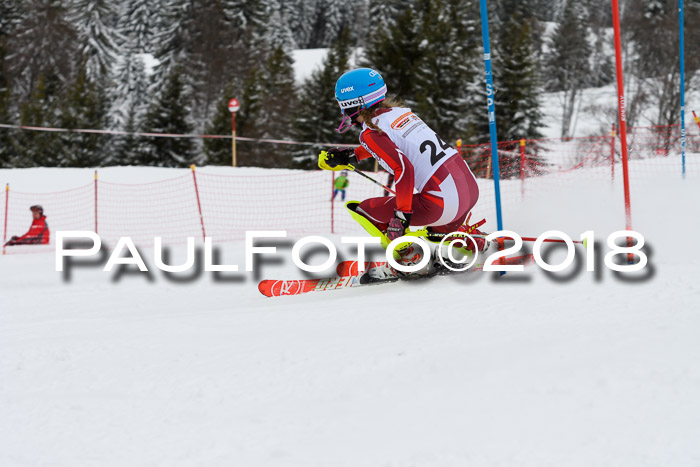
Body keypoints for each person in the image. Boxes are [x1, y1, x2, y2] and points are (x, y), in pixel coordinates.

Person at [318, 67, 486, 275]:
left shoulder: (371, 133)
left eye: (342, 104)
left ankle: (408, 257)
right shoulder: (400, 113)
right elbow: (399, 146)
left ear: (353, 104)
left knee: (362, 209)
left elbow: (403, 169)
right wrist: (352, 156)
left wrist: (401, 215)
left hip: (442, 205)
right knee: (434, 231)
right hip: (469, 191)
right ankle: (468, 240)